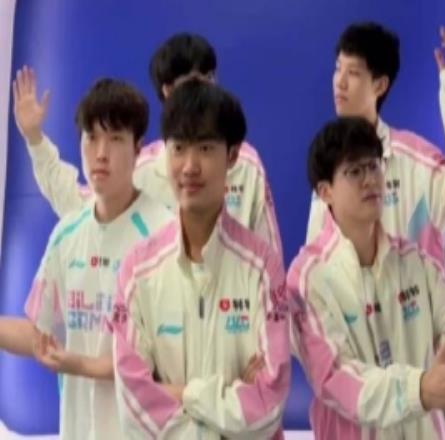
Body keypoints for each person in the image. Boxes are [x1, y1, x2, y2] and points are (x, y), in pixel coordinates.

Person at [289, 117, 445, 439]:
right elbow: (335, 379)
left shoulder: (413, 263)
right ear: (325, 192)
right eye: (354, 171)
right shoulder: (308, 280)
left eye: (374, 166)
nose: (370, 180)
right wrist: (419, 390)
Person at [112, 79, 290, 439]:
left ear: (232, 156)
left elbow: (270, 402)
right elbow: (133, 398)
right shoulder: (137, 270)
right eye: (179, 148)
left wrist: (182, 394)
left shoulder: (262, 268)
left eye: (206, 148)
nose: (190, 166)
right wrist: (227, 401)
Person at [1, 77, 173, 440]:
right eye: (91, 138)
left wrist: (82, 364)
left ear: (138, 149)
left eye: (115, 139)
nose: (101, 153)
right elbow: (39, 334)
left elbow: (168, 357)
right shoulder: (68, 235)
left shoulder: (164, 236)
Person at [16, 33, 282, 256]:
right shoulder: (142, 168)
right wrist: (35, 140)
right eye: (192, 83)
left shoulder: (246, 163)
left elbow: (269, 255)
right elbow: (80, 203)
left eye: (209, 78)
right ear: (168, 91)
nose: (204, 92)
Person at [306, 23, 445, 265]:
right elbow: (316, 254)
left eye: (353, 73)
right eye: (338, 69)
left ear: (380, 85)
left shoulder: (413, 161)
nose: (340, 82)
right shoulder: (329, 163)